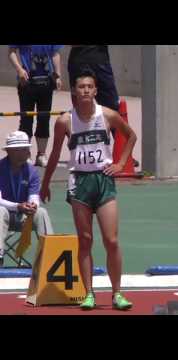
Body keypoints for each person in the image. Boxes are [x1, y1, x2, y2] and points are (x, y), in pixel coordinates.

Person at [40, 68, 137, 310]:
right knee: (85, 240)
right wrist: (45, 184)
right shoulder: (65, 120)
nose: (85, 90)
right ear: (74, 90)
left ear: (95, 90)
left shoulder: (108, 115)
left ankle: (117, 293)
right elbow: (53, 155)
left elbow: (130, 136)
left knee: (111, 240)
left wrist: (121, 163)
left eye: (89, 87)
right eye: (80, 87)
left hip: (103, 180)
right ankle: (89, 293)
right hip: (79, 183)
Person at [67, 45, 139, 167]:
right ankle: (81, 153)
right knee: (81, 110)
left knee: (112, 108)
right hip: (78, 62)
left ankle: (123, 155)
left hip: (100, 62)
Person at [0, 131, 54, 267]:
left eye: (27, 148)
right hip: (4, 217)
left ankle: (51, 255)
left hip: (23, 217)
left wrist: (33, 205)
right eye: (23, 149)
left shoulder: (32, 171)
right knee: (0, 211)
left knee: (41, 212)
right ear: (11, 151)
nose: (28, 152)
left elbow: (34, 196)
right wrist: (17, 206)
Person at [8, 45, 64, 167]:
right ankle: (25, 155)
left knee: (44, 119)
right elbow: (11, 52)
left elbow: (55, 54)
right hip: (26, 83)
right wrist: (19, 69)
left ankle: (41, 155)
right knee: (26, 120)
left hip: (46, 83)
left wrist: (58, 75)